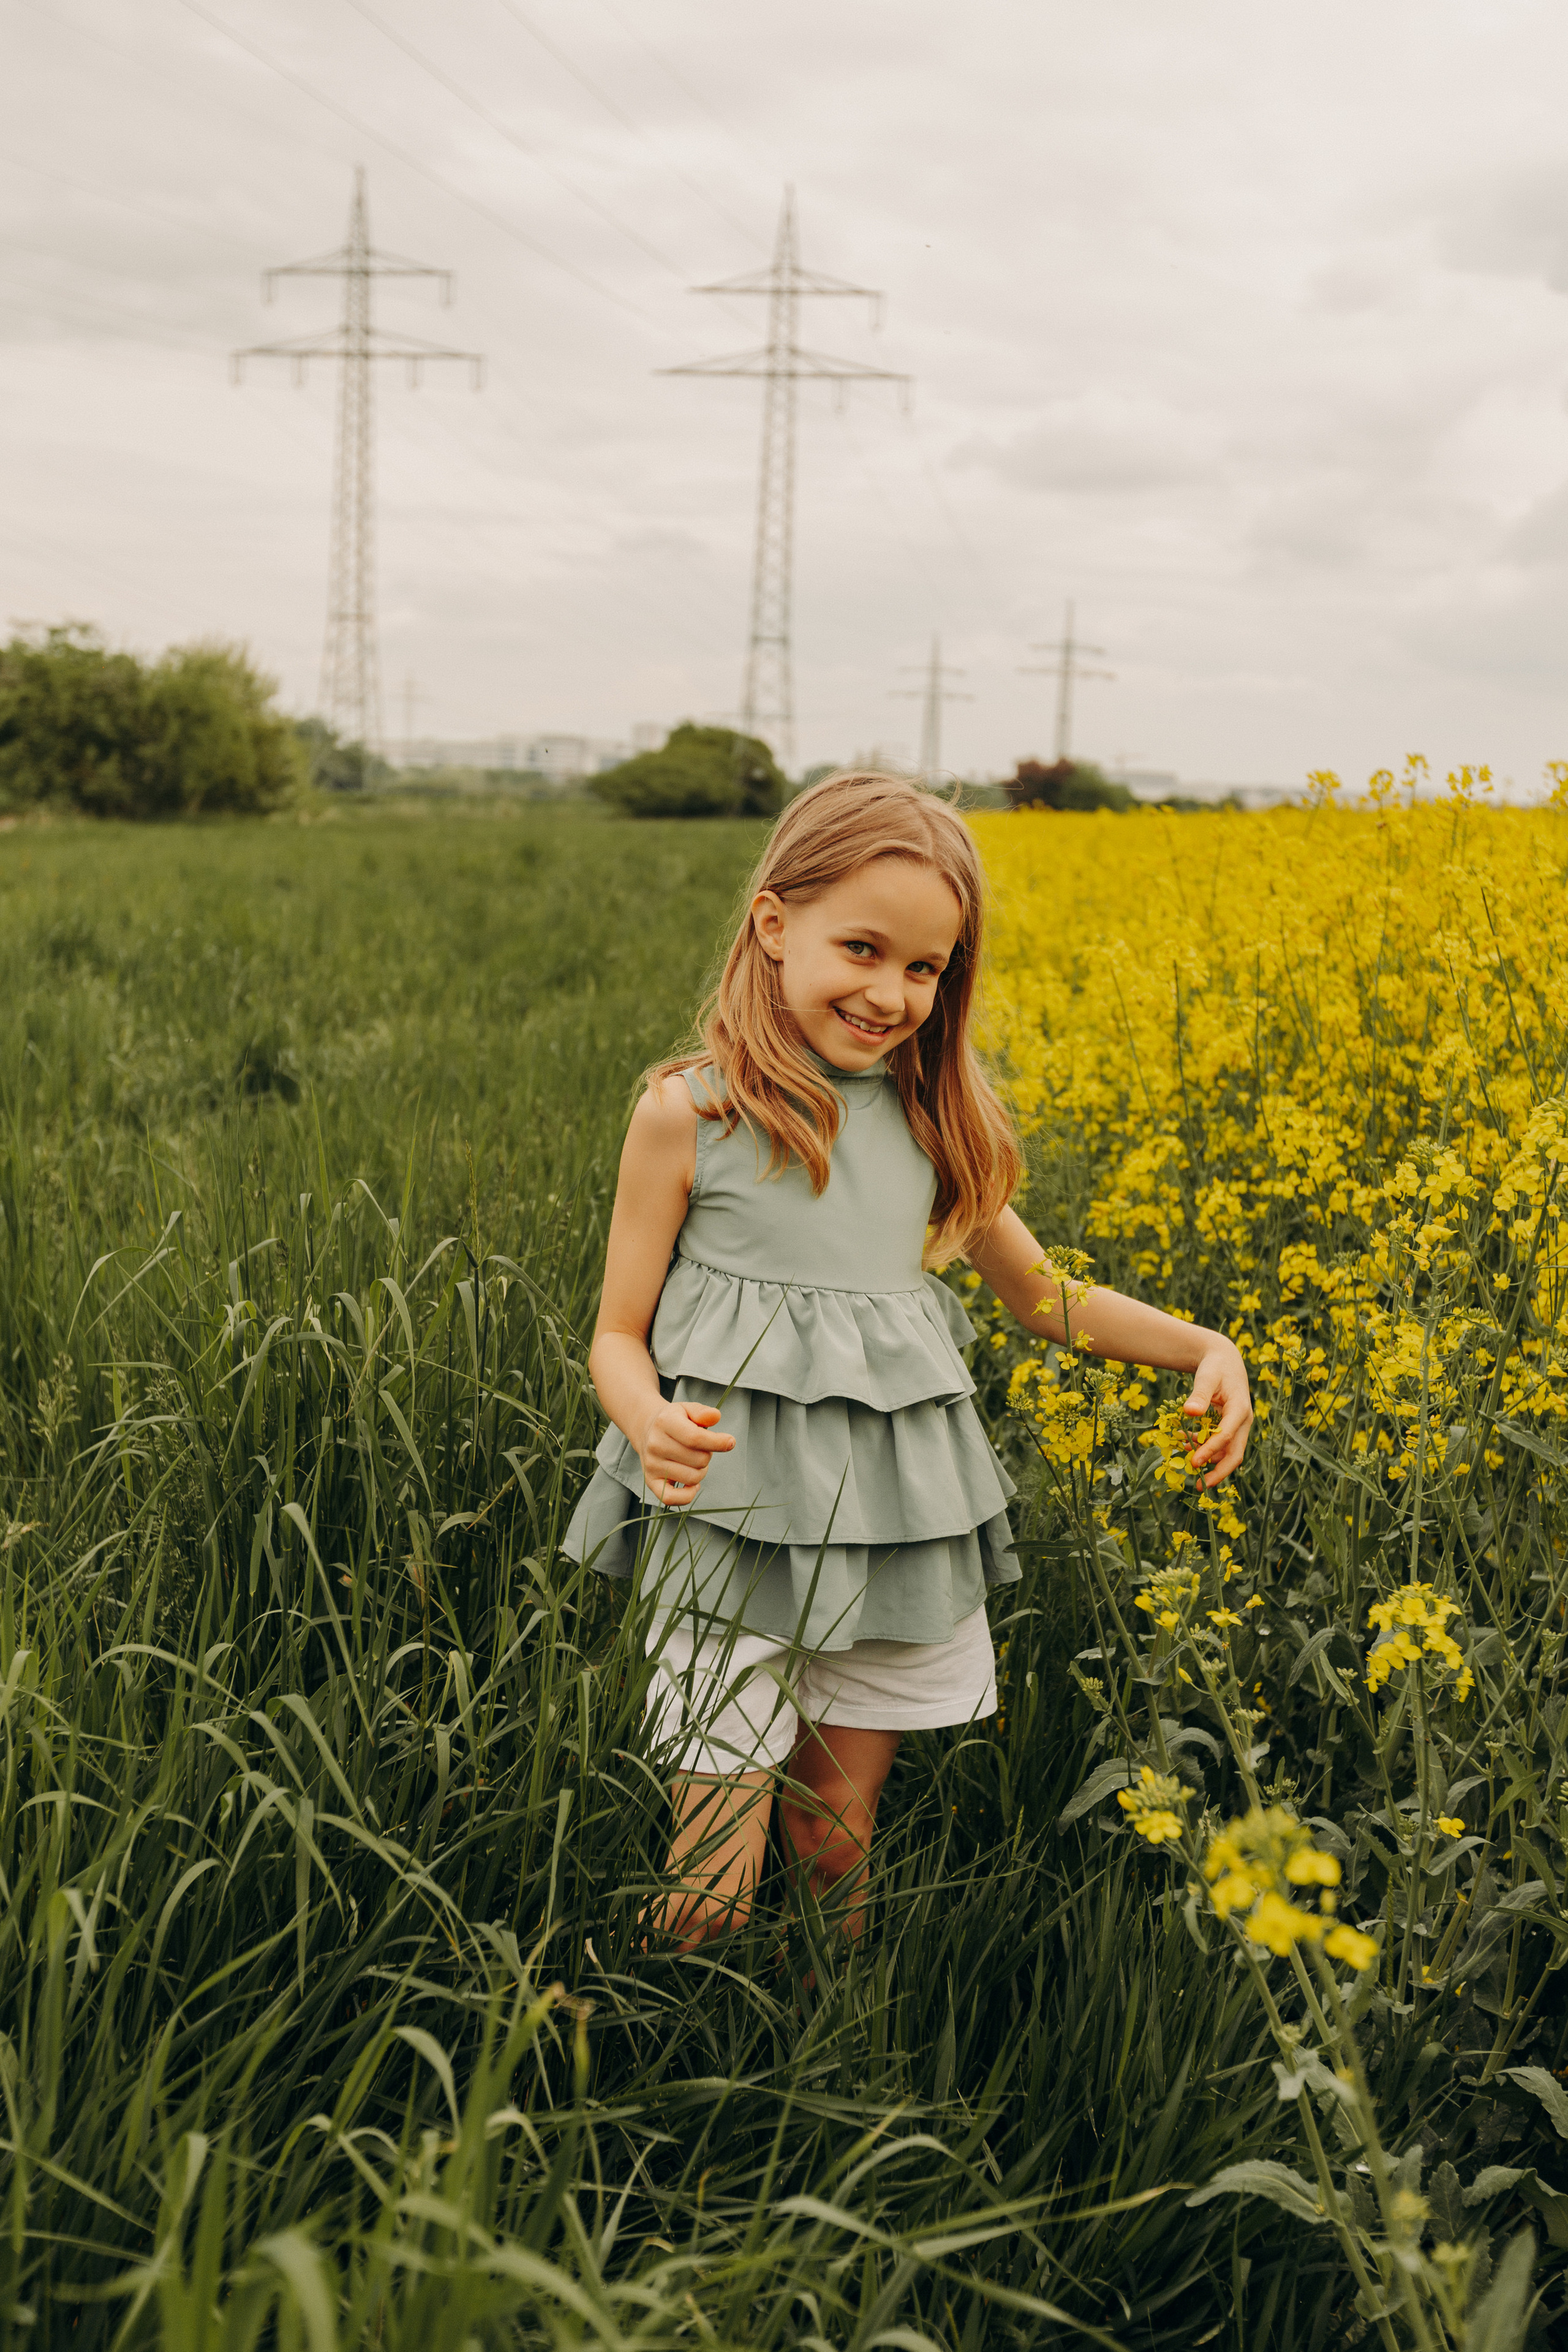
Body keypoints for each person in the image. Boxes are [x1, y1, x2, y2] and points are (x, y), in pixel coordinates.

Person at [563, 772, 1252, 1950]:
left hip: (892, 1517)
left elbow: (1044, 1299)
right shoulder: (693, 1114)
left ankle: (831, 2044)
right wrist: (644, 1420)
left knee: (837, 1829)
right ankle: (676, 2077)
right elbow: (617, 1335)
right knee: (708, 1881)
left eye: (925, 969)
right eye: (863, 948)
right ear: (775, 927)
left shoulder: (940, 1124)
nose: (890, 994)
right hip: (729, 1518)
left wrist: (1206, 1344)